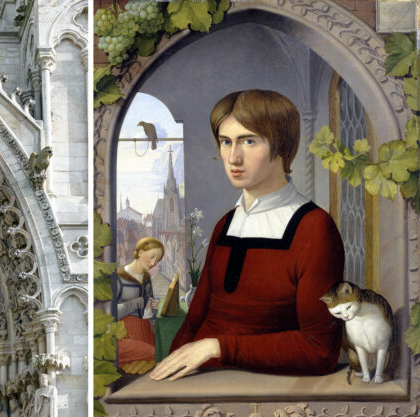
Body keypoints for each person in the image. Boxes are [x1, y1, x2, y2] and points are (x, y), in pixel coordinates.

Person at [150, 89, 344, 381]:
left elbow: (319, 350)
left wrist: (218, 346)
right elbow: (194, 322)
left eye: (249, 141)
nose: (233, 157)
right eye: (226, 142)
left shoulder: (314, 228)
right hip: (198, 382)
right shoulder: (226, 223)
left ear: (282, 146)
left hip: (261, 388)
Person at [113, 237, 163, 366]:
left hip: (144, 331)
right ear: (140, 252)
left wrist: (153, 307)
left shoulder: (146, 278)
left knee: (161, 355)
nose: (153, 263)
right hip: (124, 334)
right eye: (151, 256)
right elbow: (111, 313)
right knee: (151, 354)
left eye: (157, 260)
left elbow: (149, 310)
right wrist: (139, 302)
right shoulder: (118, 278)